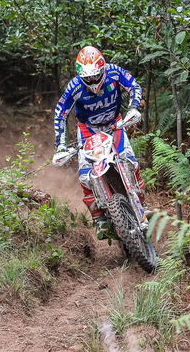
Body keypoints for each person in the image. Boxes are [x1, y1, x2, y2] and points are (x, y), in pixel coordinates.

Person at [52, 46, 145, 237]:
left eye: (96, 76)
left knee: (130, 161)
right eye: (89, 78)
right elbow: (60, 114)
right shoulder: (75, 87)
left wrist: (134, 107)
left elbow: (134, 86)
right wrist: (60, 146)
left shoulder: (114, 72)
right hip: (89, 132)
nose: (93, 81)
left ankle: (141, 203)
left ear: (102, 69)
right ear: (81, 76)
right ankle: (98, 217)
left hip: (114, 125)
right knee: (86, 176)